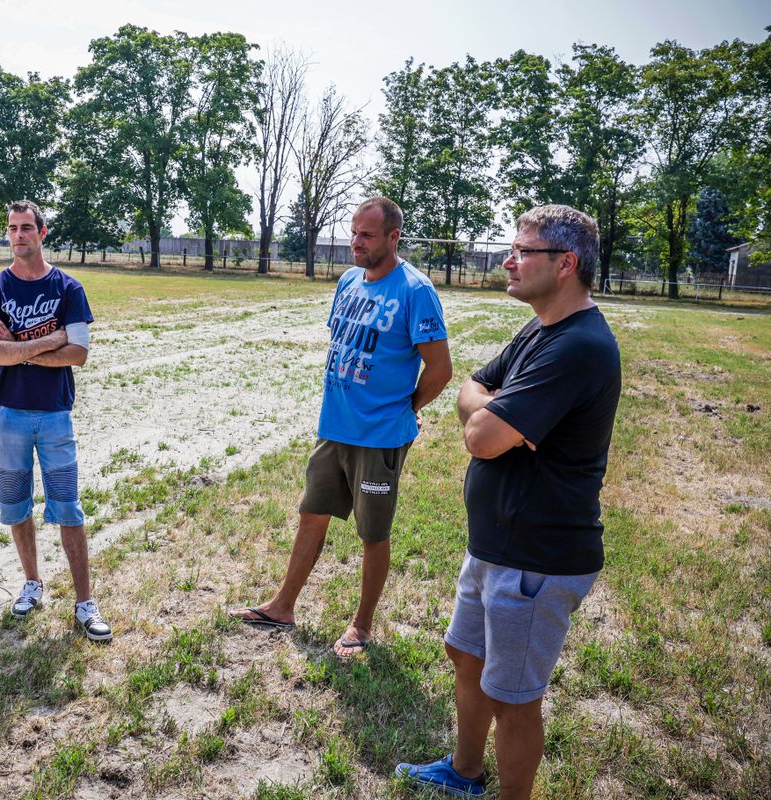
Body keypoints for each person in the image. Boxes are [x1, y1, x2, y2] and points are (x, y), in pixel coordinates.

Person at [396, 205, 621, 800]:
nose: (508, 259)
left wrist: (487, 412)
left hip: (537, 558)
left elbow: (481, 436)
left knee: (514, 697)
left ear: (566, 263)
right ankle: (465, 773)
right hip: (498, 542)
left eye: (523, 250)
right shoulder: (540, 329)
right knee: (463, 654)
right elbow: (472, 385)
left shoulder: (579, 348)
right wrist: (485, 405)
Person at [231, 197, 452, 658]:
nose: (355, 242)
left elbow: (440, 369)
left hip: (380, 435)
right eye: (353, 232)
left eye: (366, 235)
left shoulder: (415, 291)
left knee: (373, 533)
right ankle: (283, 606)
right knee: (311, 513)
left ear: (393, 237)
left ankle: (362, 626)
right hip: (334, 427)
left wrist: (405, 407)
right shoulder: (349, 281)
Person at [0, 199, 110, 642]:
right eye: (12, 228)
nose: (18, 236)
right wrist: (49, 339)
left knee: (67, 506)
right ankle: (32, 583)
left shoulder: (68, 288)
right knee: (16, 505)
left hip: (54, 414)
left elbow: (80, 353)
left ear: (42, 232)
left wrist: (20, 346)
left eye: (26, 228)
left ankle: (85, 601)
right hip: (7, 414)